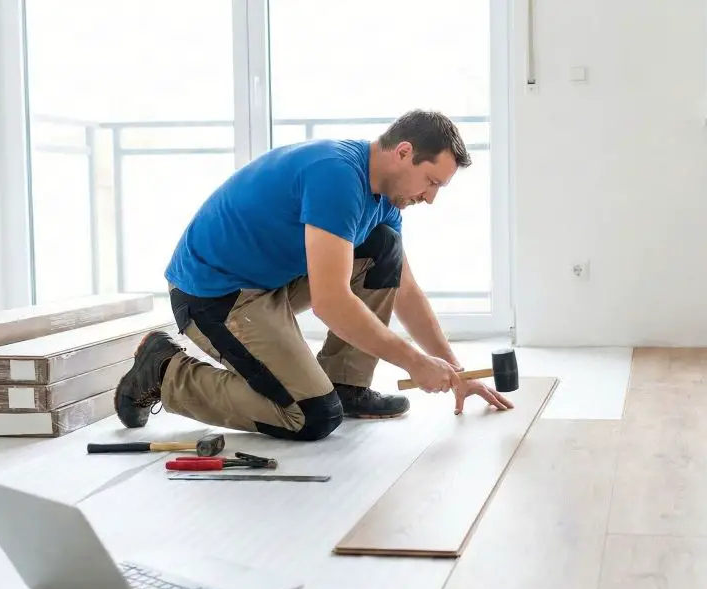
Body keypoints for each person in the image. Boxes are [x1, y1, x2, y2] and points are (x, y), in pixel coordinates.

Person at [112, 110, 513, 441]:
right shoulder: (337, 176)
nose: (430, 198)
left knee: (383, 248)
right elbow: (331, 302)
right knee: (312, 416)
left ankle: (345, 383)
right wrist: (414, 363)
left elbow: (404, 290)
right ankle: (165, 370)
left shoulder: (386, 201)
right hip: (214, 296)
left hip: (268, 283)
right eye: (431, 182)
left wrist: (453, 371)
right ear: (404, 153)